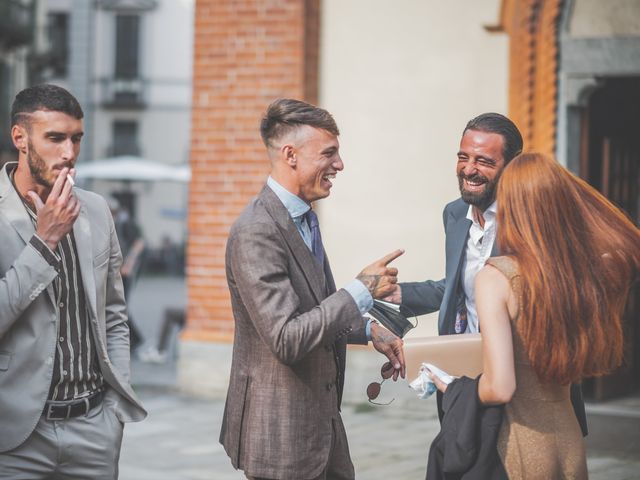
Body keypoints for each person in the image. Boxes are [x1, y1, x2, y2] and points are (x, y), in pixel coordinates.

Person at [220, 98, 406, 480]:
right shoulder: (256, 231)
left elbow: (317, 310)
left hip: (324, 429)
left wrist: (370, 330)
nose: (339, 165)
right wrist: (361, 289)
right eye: (329, 153)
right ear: (290, 155)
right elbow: (288, 337)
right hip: (280, 435)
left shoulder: (305, 217)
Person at [430, 152, 639, 478]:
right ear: (564, 202)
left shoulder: (497, 277)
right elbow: (626, 244)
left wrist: (451, 386)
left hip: (518, 444)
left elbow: (500, 388)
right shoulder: (585, 272)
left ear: (511, 204)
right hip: (569, 440)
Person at [385, 112, 588, 435]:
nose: (469, 169)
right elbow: (458, 289)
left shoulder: (534, 221)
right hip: (466, 380)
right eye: (463, 157)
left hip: (526, 383)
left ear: (512, 165)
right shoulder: (454, 214)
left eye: (484, 161)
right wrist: (398, 293)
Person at [0, 84, 146, 479]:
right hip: (15, 437)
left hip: (93, 429)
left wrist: (114, 408)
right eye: (55, 138)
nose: (69, 152)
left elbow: (114, 312)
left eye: (76, 138)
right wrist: (45, 241)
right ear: (21, 138)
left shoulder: (96, 209)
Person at [109, 196, 146, 351]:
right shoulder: (114, 223)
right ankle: (132, 339)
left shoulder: (125, 223)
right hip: (117, 271)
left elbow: (139, 243)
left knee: (120, 305)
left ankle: (135, 339)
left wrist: (129, 264)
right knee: (119, 305)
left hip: (124, 273)